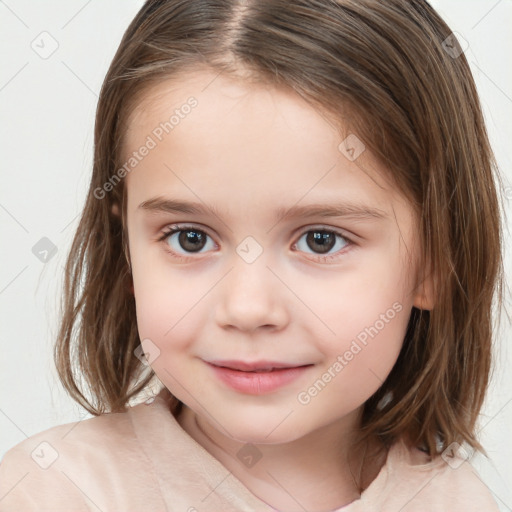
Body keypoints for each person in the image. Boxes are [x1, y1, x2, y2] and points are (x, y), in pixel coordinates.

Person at [0, 0, 505, 510]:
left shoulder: (460, 503)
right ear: (126, 249)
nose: (247, 309)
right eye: (190, 238)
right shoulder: (55, 492)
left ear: (438, 261)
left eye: (321, 240)